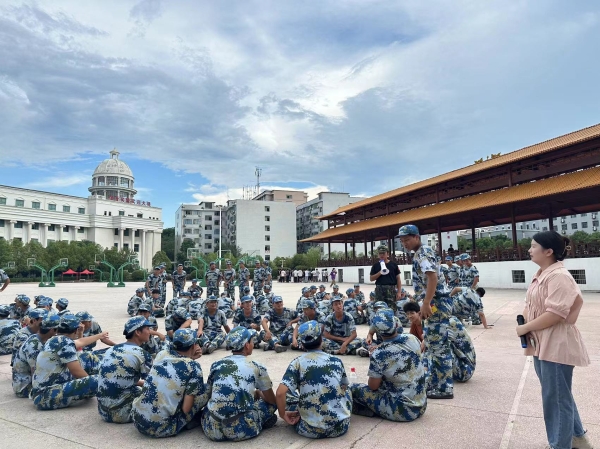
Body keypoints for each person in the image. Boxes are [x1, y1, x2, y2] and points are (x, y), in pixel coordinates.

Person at [515, 231, 593, 449]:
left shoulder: (559, 276)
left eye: (533, 246)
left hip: (556, 343)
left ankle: (560, 445)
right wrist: (526, 322)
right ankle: (577, 438)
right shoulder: (541, 274)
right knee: (559, 395)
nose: (529, 250)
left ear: (548, 251)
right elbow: (531, 303)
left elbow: (555, 314)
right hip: (542, 342)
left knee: (556, 399)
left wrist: (526, 327)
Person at [397, 224, 454, 400]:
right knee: (432, 345)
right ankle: (436, 382)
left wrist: (427, 302)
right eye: (402, 241)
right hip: (433, 304)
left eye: (407, 240)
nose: (404, 243)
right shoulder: (420, 253)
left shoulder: (423, 253)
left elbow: (432, 277)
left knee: (439, 348)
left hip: (437, 303)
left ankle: (444, 388)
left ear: (416, 237)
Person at [276, 320, 352, 439]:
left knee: (288, 395)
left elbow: (280, 393)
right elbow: (344, 386)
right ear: (321, 339)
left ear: (302, 343)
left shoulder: (297, 363)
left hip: (309, 429)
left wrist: (282, 415)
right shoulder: (336, 361)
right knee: (348, 390)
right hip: (340, 427)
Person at [202, 326, 278, 441]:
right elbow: (271, 400)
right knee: (272, 404)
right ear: (247, 345)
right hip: (242, 430)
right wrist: (258, 393)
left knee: (210, 405)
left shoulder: (217, 364)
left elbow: (210, 393)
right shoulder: (256, 366)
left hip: (213, 430)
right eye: (251, 341)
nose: (253, 343)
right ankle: (260, 420)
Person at [350, 309, 426, 421]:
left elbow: (373, 386)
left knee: (353, 389)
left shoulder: (379, 354)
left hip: (403, 411)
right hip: (421, 405)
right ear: (396, 324)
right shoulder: (412, 338)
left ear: (378, 331)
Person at [132, 328, 208, 437]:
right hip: (160, 428)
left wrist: (191, 357)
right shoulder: (193, 367)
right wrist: (192, 360)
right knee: (206, 389)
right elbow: (186, 409)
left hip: (138, 420)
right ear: (193, 346)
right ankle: (192, 421)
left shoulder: (161, 354)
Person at [31, 314, 99, 410]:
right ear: (76, 330)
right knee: (100, 380)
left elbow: (80, 342)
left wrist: (100, 335)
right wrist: (90, 382)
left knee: (87, 357)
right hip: (46, 396)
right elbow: (76, 372)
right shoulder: (64, 342)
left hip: (42, 392)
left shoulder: (55, 339)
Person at [96, 316, 154, 423]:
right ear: (137, 332)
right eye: (147, 329)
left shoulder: (112, 349)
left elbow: (120, 377)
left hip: (103, 412)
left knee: (136, 389)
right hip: (123, 414)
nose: (150, 332)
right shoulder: (142, 354)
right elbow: (154, 384)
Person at [12, 315, 60, 398]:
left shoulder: (38, 338)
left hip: (27, 381)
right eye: (58, 330)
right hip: (25, 387)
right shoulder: (34, 346)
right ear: (52, 330)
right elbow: (37, 372)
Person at [370, 245, 402, 311]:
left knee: (391, 308)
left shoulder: (393, 265)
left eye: (383, 253)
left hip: (391, 289)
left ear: (387, 254)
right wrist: (380, 273)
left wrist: (399, 292)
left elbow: (398, 279)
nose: (382, 255)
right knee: (379, 309)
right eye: (380, 253)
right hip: (379, 289)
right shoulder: (375, 265)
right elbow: (371, 278)